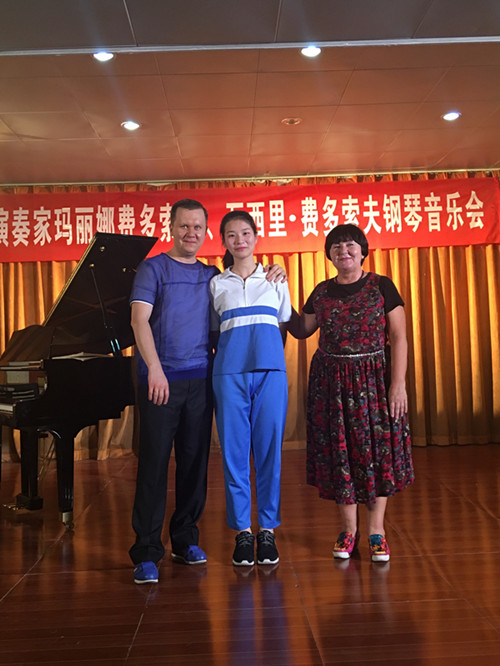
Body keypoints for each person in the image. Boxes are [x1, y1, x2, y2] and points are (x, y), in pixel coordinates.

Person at [129, 199, 286, 584]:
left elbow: (230, 330)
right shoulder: (153, 269)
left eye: (197, 227)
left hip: (202, 380)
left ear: (205, 233)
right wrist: (155, 370)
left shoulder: (211, 275)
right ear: (171, 227)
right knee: (154, 465)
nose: (191, 233)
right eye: (184, 226)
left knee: (194, 463)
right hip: (161, 381)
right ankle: (147, 550)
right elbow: (138, 320)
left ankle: (185, 539)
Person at [288, 223, 414, 563]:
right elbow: (301, 329)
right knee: (340, 455)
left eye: (350, 246)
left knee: (377, 454)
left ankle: (377, 531)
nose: (343, 251)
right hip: (331, 384)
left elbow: (399, 337)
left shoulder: (381, 285)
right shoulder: (321, 291)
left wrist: (398, 384)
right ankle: (348, 530)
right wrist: (278, 297)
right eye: (336, 247)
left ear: (362, 251)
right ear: (329, 255)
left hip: (374, 382)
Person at [209, 210, 291, 567]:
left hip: (270, 372)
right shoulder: (216, 284)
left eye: (245, 233)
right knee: (235, 454)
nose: (239, 240)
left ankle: (267, 530)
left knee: (270, 453)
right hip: (228, 374)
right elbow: (213, 332)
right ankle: (243, 531)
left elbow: (282, 324)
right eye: (231, 235)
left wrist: (268, 357)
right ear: (224, 241)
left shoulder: (275, 279)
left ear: (256, 237)